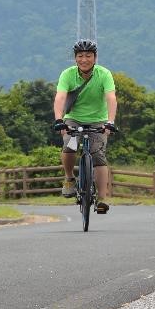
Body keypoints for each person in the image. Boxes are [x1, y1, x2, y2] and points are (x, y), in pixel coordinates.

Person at [52, 39, 118, 214]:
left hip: (99, 121)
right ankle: (69, 178)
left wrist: (110, 122)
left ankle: (102, 199)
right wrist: (59, 120)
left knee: (98, 155)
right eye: (80, 56)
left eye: (88, 56)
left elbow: (111, 98)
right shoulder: (67, 74)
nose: (84, 59)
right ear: (75, 59)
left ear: (95, 58)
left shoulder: (104, 74)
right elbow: (60, 97)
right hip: (73, 119)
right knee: (69, 146)